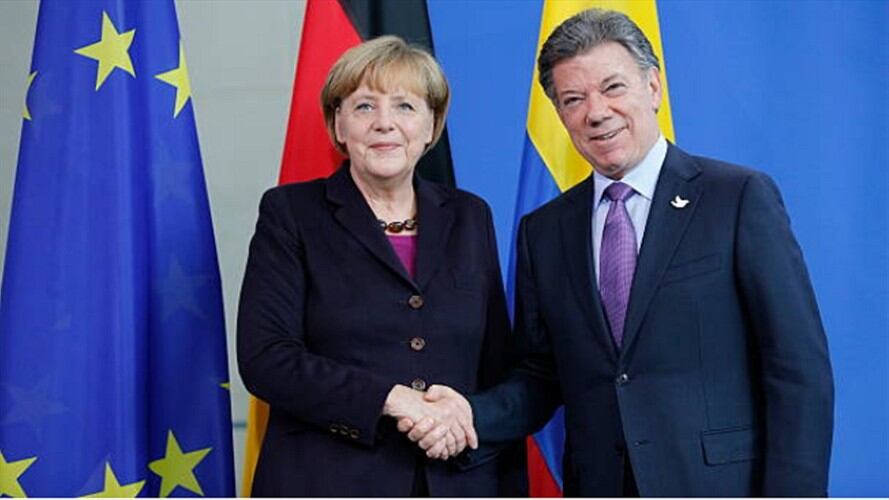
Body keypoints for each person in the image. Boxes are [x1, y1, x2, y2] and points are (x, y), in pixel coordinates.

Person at [404, 8, 834, 497]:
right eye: (573, 99)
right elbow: (541, 374)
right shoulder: (543, 232)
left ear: (652, 88)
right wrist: (469, 414)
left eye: (613, 87)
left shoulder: (736, 198)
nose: (596, 112)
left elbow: (796, 370)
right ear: (561, 115)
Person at [237, 35, 524, 496]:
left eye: (406, 107)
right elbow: (266, 358)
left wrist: (462, 416)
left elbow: (497, 365)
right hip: (328, 481)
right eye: (365, 106)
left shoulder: (471, 216)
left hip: (457, 481)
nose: (384, 123)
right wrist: (393, 399)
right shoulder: (291, 213)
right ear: (339, 124)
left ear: (432, 125)